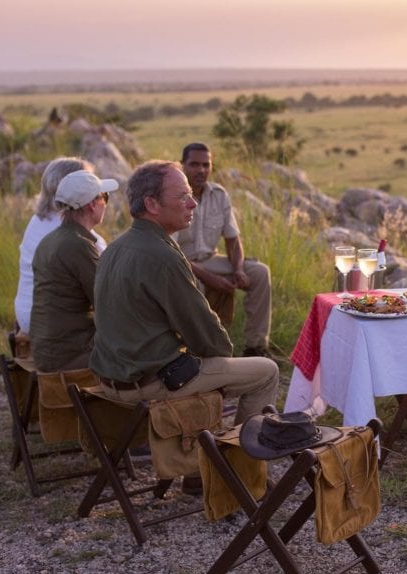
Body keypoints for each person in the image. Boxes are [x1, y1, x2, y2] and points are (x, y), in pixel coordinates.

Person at [89, 159, 279, 426]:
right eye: (183, 197)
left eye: (191, 195)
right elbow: (208, 337)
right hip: (149, 384)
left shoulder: (114, 248)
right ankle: (240, 457)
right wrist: (223, 356)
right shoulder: (161, 255)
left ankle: (214, 440)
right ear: (152, 204)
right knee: (266, 372)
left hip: (112, 378)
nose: (193, 204)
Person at [174, 142, 272, 357]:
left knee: (259, 272)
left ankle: (256, 347)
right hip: (182, 264)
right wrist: (210, 278)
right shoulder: (175, 197)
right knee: (196, 285)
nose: (201, 170)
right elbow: (171, 251)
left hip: (211, 259)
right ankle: (199, 352)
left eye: (206, 165)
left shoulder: (219, 194)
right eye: (194, 164)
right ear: (182, 166)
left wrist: (238, 269)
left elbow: (233, 239)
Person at [29, 170, 117, 372]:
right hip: (69, 354)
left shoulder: (50, 240)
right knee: (148, 353)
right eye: (105, 197)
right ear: (92, 204)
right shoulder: (78, 245)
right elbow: (109, 304)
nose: (106, 203)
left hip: (49, 349)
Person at [14, 157, 107, 334]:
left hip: (28, 312)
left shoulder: (39, 220)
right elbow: (105, 277)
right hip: (48, 321)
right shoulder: (68, 232)